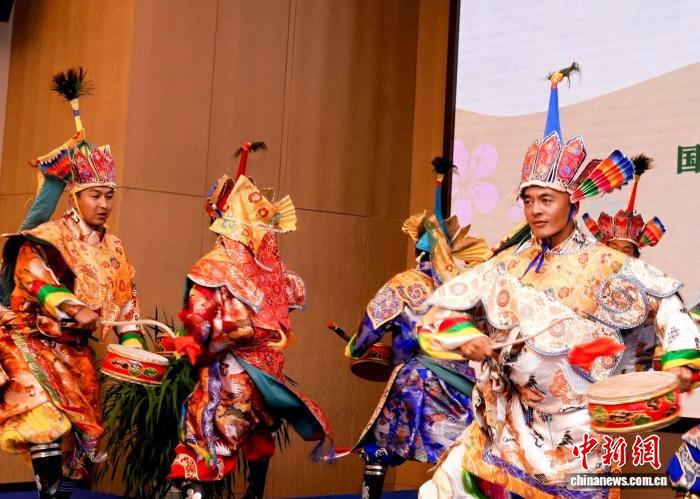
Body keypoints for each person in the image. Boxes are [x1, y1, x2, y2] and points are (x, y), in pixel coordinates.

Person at [416, 64, 700, 499]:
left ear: (573, 202)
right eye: (528, 200)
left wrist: (680, 363)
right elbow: (440, 310)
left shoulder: (606, 265)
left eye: (546, 199)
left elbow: (669, 306)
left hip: (577, 438)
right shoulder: (506, 267)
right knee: (440, 492)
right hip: (506, 428)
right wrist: (466, 334)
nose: (535, 210)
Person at [0, 68, 142, 498]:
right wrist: (71, 305)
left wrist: (133, 346)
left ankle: (56, 487)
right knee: (42, 418)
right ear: (76, 196)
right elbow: (32, 274)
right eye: (95, 195)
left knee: (81, 438)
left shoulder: (115, 249)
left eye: (109, 195)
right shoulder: (49, 235)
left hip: (76, 352)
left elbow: (126, 303)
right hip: (29, 339)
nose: (104, 203)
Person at [166, 142, 333, 499]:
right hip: (248, 371)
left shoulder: (248, 268)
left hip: (249, 371)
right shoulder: (242, 268)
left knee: (232, 434)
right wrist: (243, 333)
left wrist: (259, 335)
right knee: (237, 432)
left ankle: (224, 492)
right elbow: (205, 326)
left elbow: (207, 324)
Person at [340, 158, 489, 499]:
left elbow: (371, 326)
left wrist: (356, 348)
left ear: (417, 249)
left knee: (379, 447)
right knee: (463, 450)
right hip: (462, 385)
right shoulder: (468, 288)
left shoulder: (404, 283)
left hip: (416, 379)